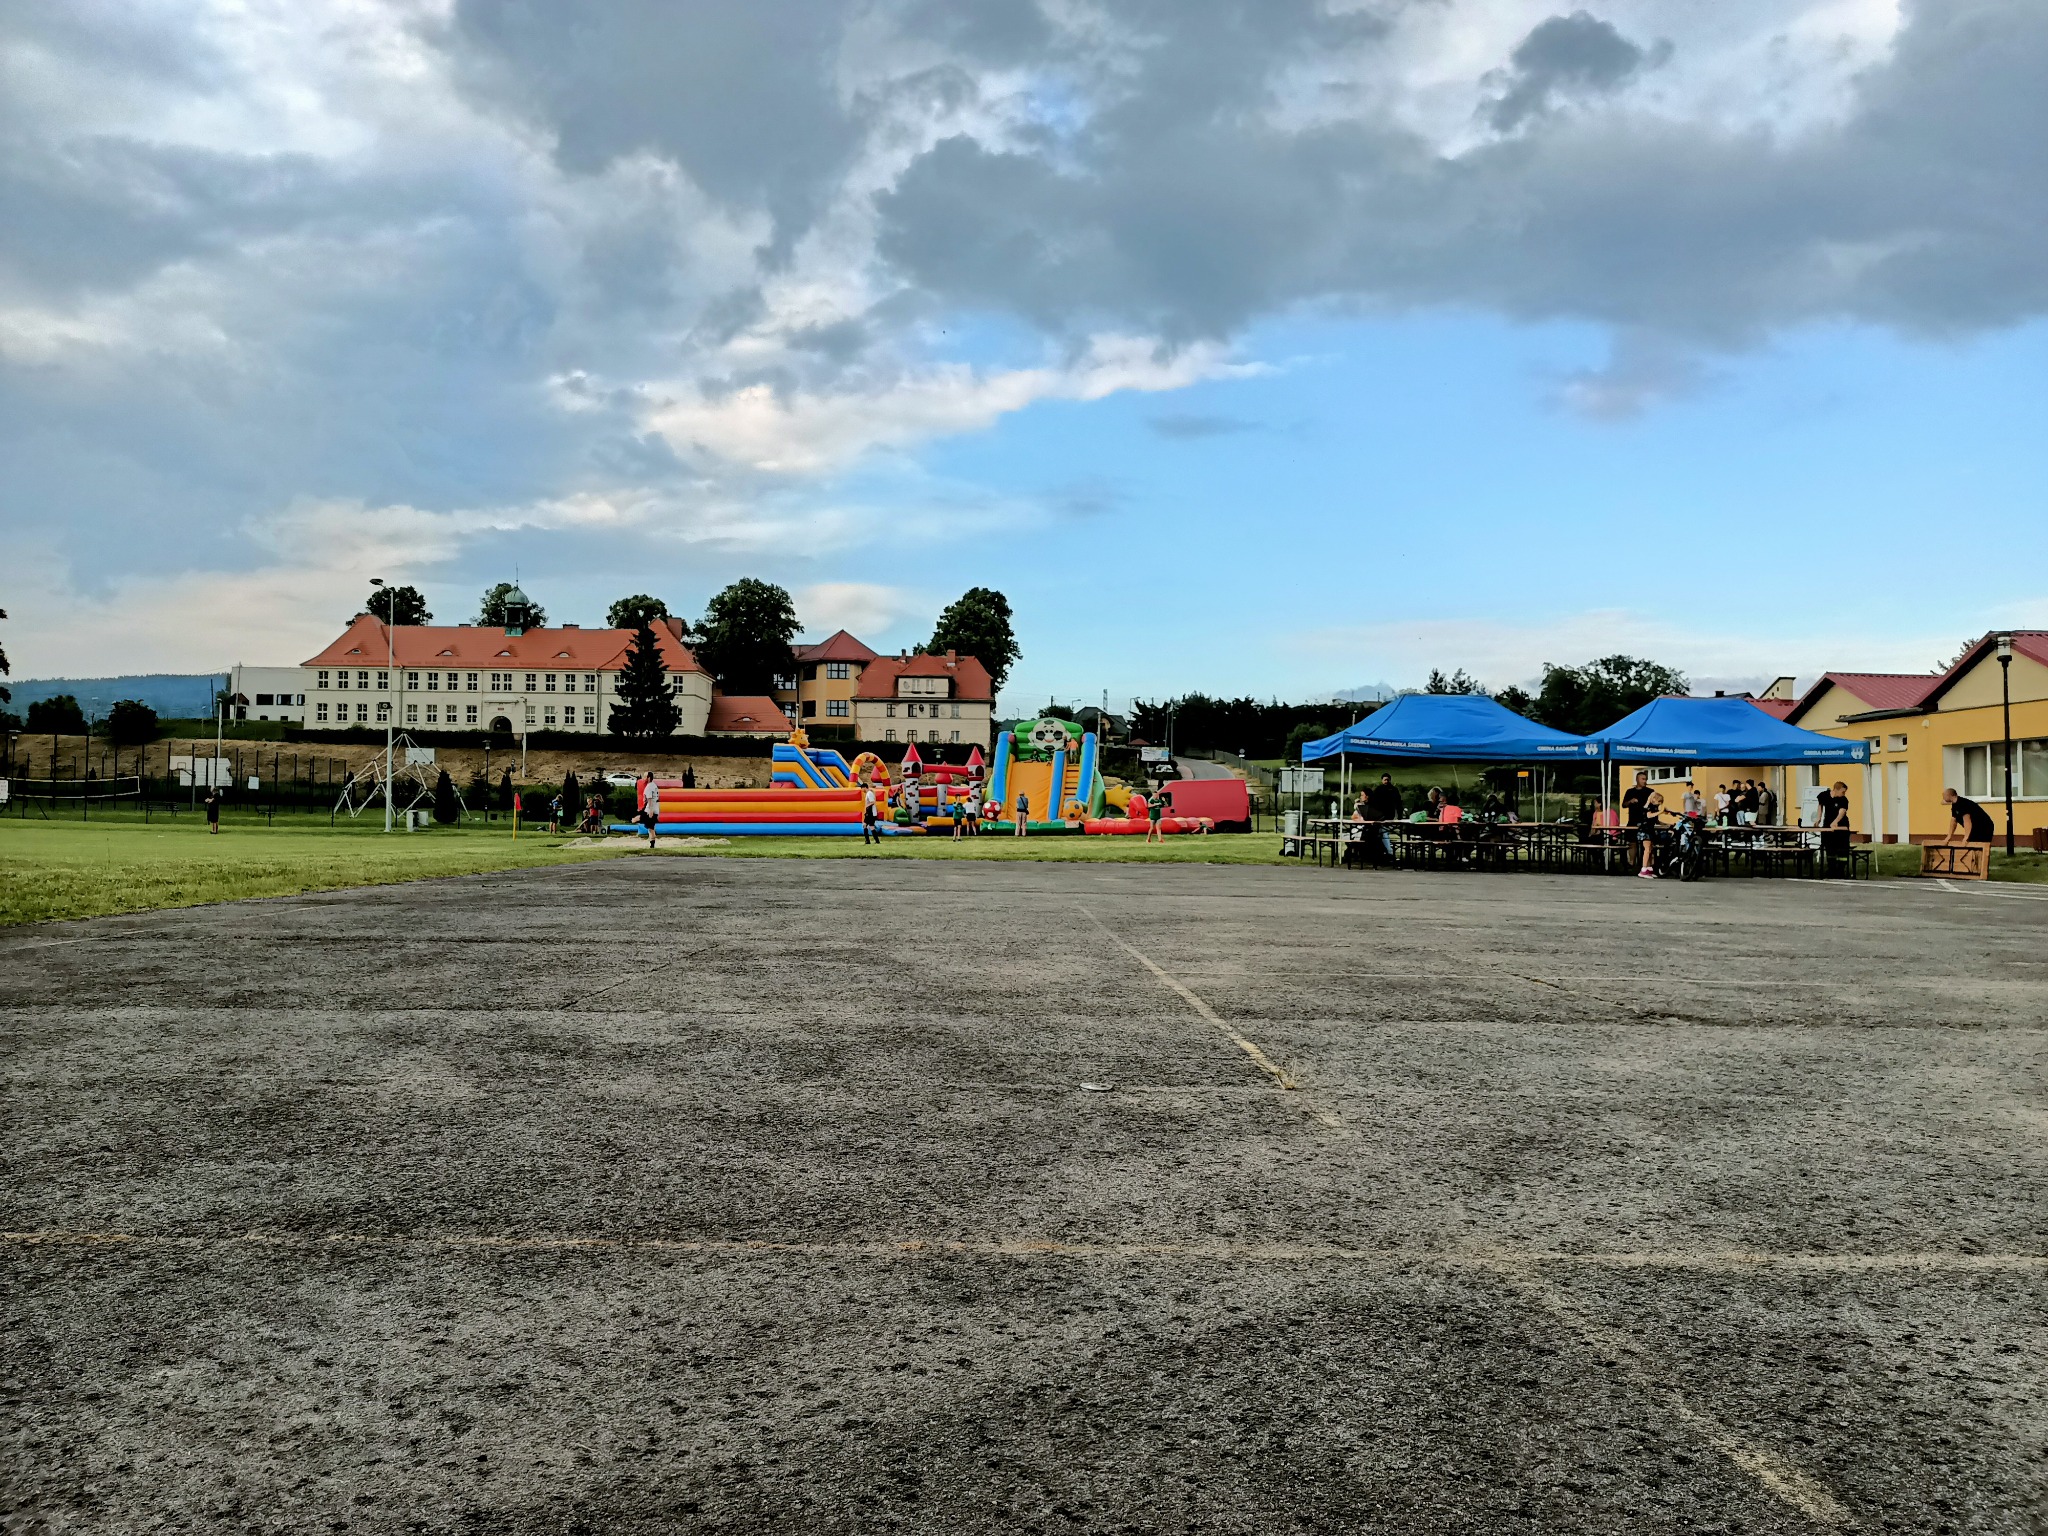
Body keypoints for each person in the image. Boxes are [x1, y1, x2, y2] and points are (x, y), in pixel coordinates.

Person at [1622, 769, 1661, 877]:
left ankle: (1648, 866)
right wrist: (1630, 801)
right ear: (1637, 779)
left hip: (1646, 822)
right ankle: (1632, 863)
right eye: (1643, 779)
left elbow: (1655, 805)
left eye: (1646, 779)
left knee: (1648, 845)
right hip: (1633, 820)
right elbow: (1623, 805)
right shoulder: (1630, 791)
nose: (1645, 781)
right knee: (1632, 842)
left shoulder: (1650, 791)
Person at [1819, 779, 1853, 864]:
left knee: (1841, 848)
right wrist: (1818, 818)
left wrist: (1835, 821)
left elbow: (1842, 811)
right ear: (1836, 789)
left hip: (1841, 826)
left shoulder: (1843, 800)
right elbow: (1820, 806)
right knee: (1829, 847)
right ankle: (1831, 867)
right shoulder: (1824, 795)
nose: (1844, 794)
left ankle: (1841, 868)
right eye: (1842, 792)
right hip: (1827, 825)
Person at [639, 775, 660, 848]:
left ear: (649, 778)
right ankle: (652, 841)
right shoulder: (653, 785)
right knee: (650, 827)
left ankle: (652, 841)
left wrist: (650, 810)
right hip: (653, 808)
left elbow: (650, 799)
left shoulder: (649, 787)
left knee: (650, 827)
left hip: (649, 808)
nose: (643, 778)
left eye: (645, 777)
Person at [862, 780, 881, 845]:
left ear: (865, 787)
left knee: (868, 826)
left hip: (871, 813)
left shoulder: (869, 793)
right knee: (868, 825)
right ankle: (873, 841)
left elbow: (872, 802)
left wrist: (866, 806)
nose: (862, 790)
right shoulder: (868, 793)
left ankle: (869, 841)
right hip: (870, 813)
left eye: (862, 788)